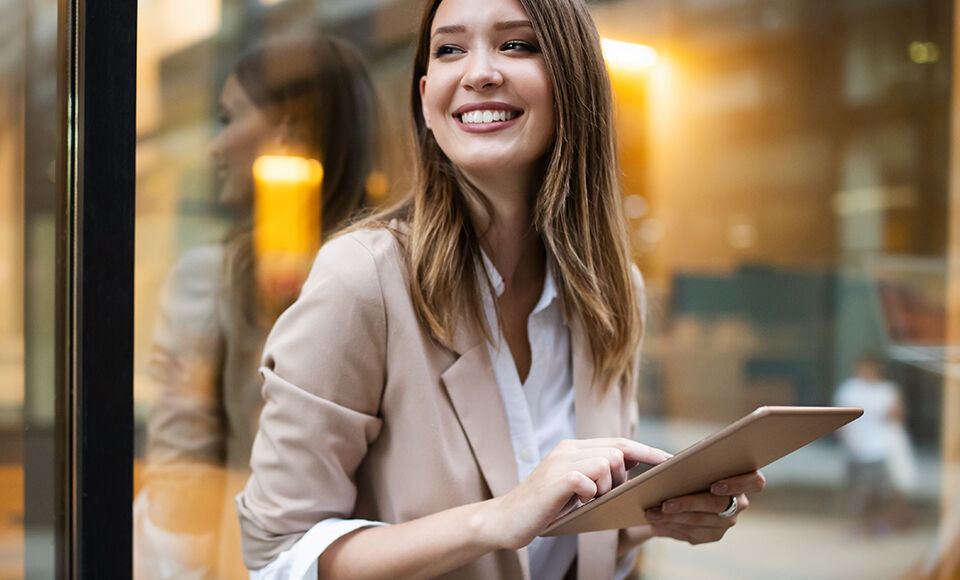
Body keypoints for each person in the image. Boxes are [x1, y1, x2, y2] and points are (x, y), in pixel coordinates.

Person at [235, 0, 766, 578]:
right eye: (449, 49)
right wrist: (498, 518)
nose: (479, 73)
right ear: (426, 99)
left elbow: (564, 539)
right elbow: (278, 554)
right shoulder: (363, 278)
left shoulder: (613, 292)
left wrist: (665, 515)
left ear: (573, 83)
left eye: (515, 44)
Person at [134, 34, 379, 579]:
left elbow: (180, 491)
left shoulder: (212, 282)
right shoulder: (407, 273)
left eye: (229, 119)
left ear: (285, 130)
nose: (214, 146)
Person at [834, 352, 916, 537]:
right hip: (855, 448)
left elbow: (897, 416)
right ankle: (859, 524)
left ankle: (874, 523)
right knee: (858, 490)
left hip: (879, 448)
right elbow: (840, 419)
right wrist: (848, 442)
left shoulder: (886, 390)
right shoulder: (850, 389)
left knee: (876, 491)